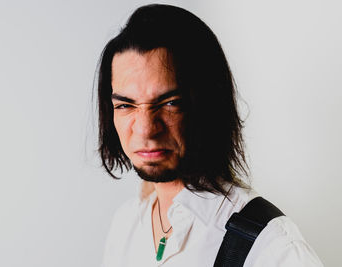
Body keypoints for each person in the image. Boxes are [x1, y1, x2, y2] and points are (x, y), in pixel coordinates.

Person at [96, 4, 323, 267]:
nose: (146, 128)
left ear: (208, 104)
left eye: (170, 102)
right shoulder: (126, 225)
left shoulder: (270, 245)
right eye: (126, 105)